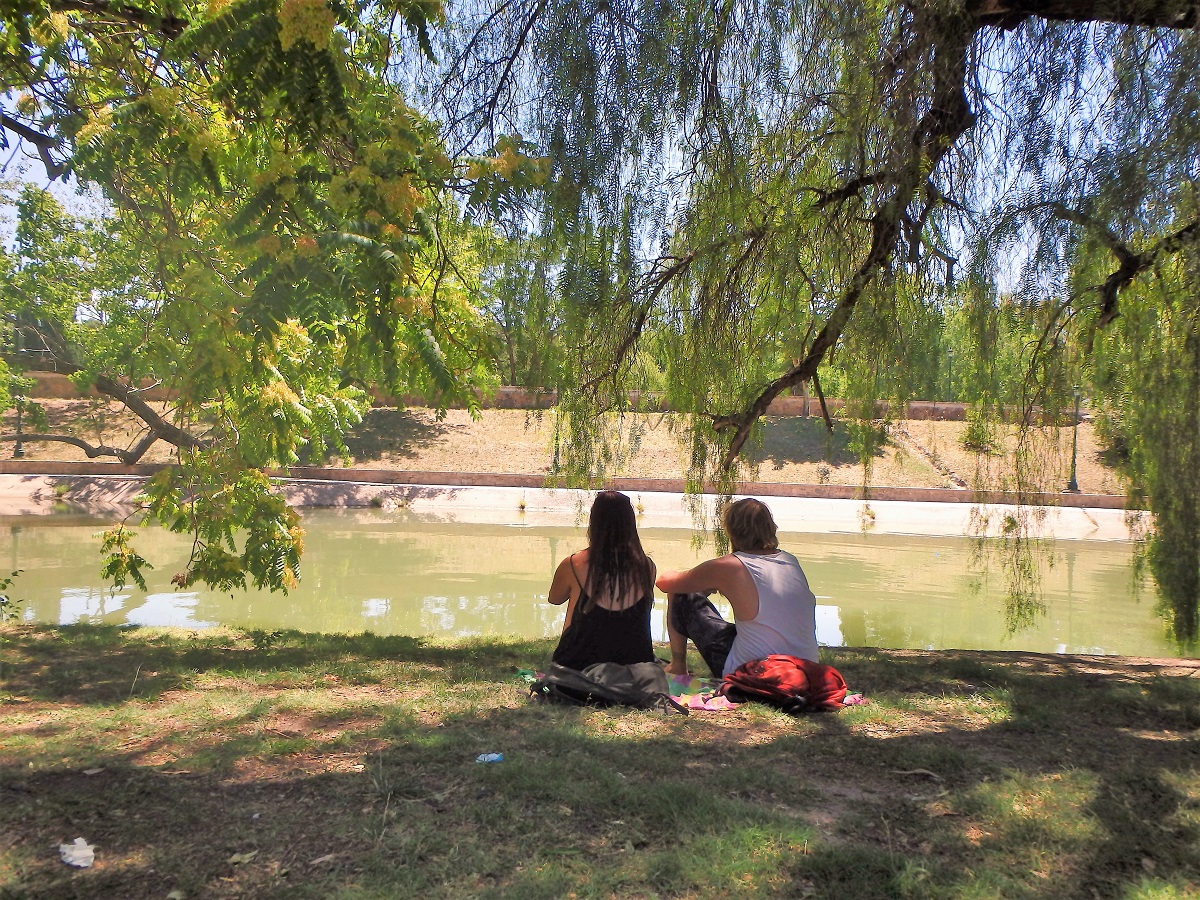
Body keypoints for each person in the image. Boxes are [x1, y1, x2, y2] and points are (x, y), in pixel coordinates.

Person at [656, 497, 818, 678]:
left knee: (681, 593)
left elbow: (664, 582)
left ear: (732, 530)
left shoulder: (729, 566)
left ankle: (678, 667)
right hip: (805, 671)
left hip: (752, 673)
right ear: (770, 527)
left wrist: (702, 582)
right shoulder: (789, 560)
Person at [546, 490, 657, 670]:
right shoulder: (648, 568)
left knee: (576, 600)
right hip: (635, 668)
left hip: (577, 669)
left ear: (594, 523)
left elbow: (554, 598)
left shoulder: (573, 564)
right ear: (630, 524)